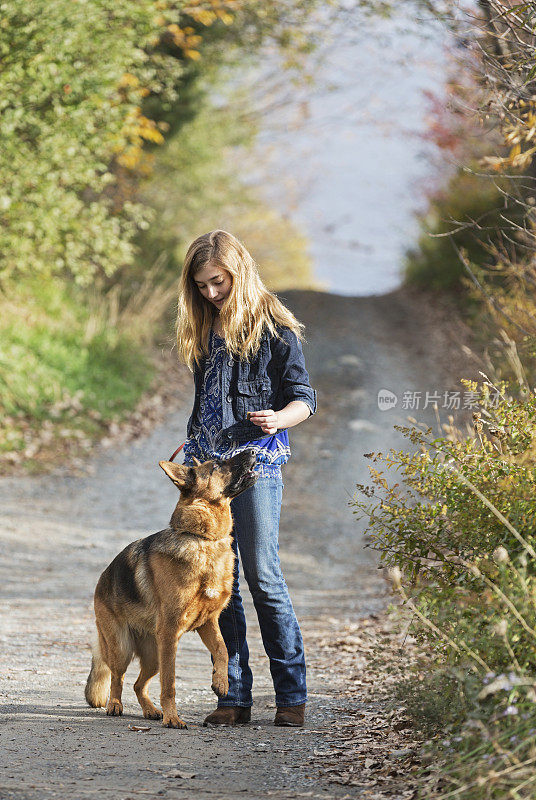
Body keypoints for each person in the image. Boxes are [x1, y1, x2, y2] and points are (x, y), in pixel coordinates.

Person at [175, 230, 317, 727]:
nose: (211, 293)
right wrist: (190, 444)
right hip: (207, 471)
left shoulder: (275, 329)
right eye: (201, 286)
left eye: (218, 282)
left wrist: (280, 418)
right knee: (218, 583)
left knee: (262, 575)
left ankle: (291, 695)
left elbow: (305, 398)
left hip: (255, 467)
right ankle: (233, 697)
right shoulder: (204, 326)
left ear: (239, 271)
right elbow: (207, 401)